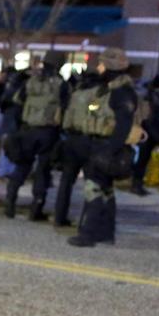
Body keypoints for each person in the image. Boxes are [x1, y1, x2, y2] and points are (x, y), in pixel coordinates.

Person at [68, 48, 138, 248]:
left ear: (109, 67)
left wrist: (108, 151)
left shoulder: (120, 92)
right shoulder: (112, 89)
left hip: (105, 148)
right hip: (102, 146)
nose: (98, 67)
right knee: (106, 191)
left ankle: (87, 234)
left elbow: (123, 126)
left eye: (101, 64)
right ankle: (106, 233)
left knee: (94, 190)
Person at [3, 51, 69, 220]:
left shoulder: (31, 81)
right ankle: (36, 208)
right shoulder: (61, 84)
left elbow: (17, 102)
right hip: (48, 132)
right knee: (42, 170)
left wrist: (20, 126)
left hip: (28, 129)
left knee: (22, 166)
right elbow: (66, 108)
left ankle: (10, 203)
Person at [53, 67, 101, 227]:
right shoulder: (97, 96)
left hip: (71, 139)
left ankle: (59, 216)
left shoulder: (76, 94)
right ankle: (85, 222)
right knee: (91, 183)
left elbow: (66, 118)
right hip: (89, 140)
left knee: (66, 181)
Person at [130, 75, 159, 196]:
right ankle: (136, 185)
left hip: (152, 134)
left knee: (144, 161)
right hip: (147, 135)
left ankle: (138, 184)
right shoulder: (150, 98)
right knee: (141, 161)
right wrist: (155, 135)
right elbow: (148, 119)